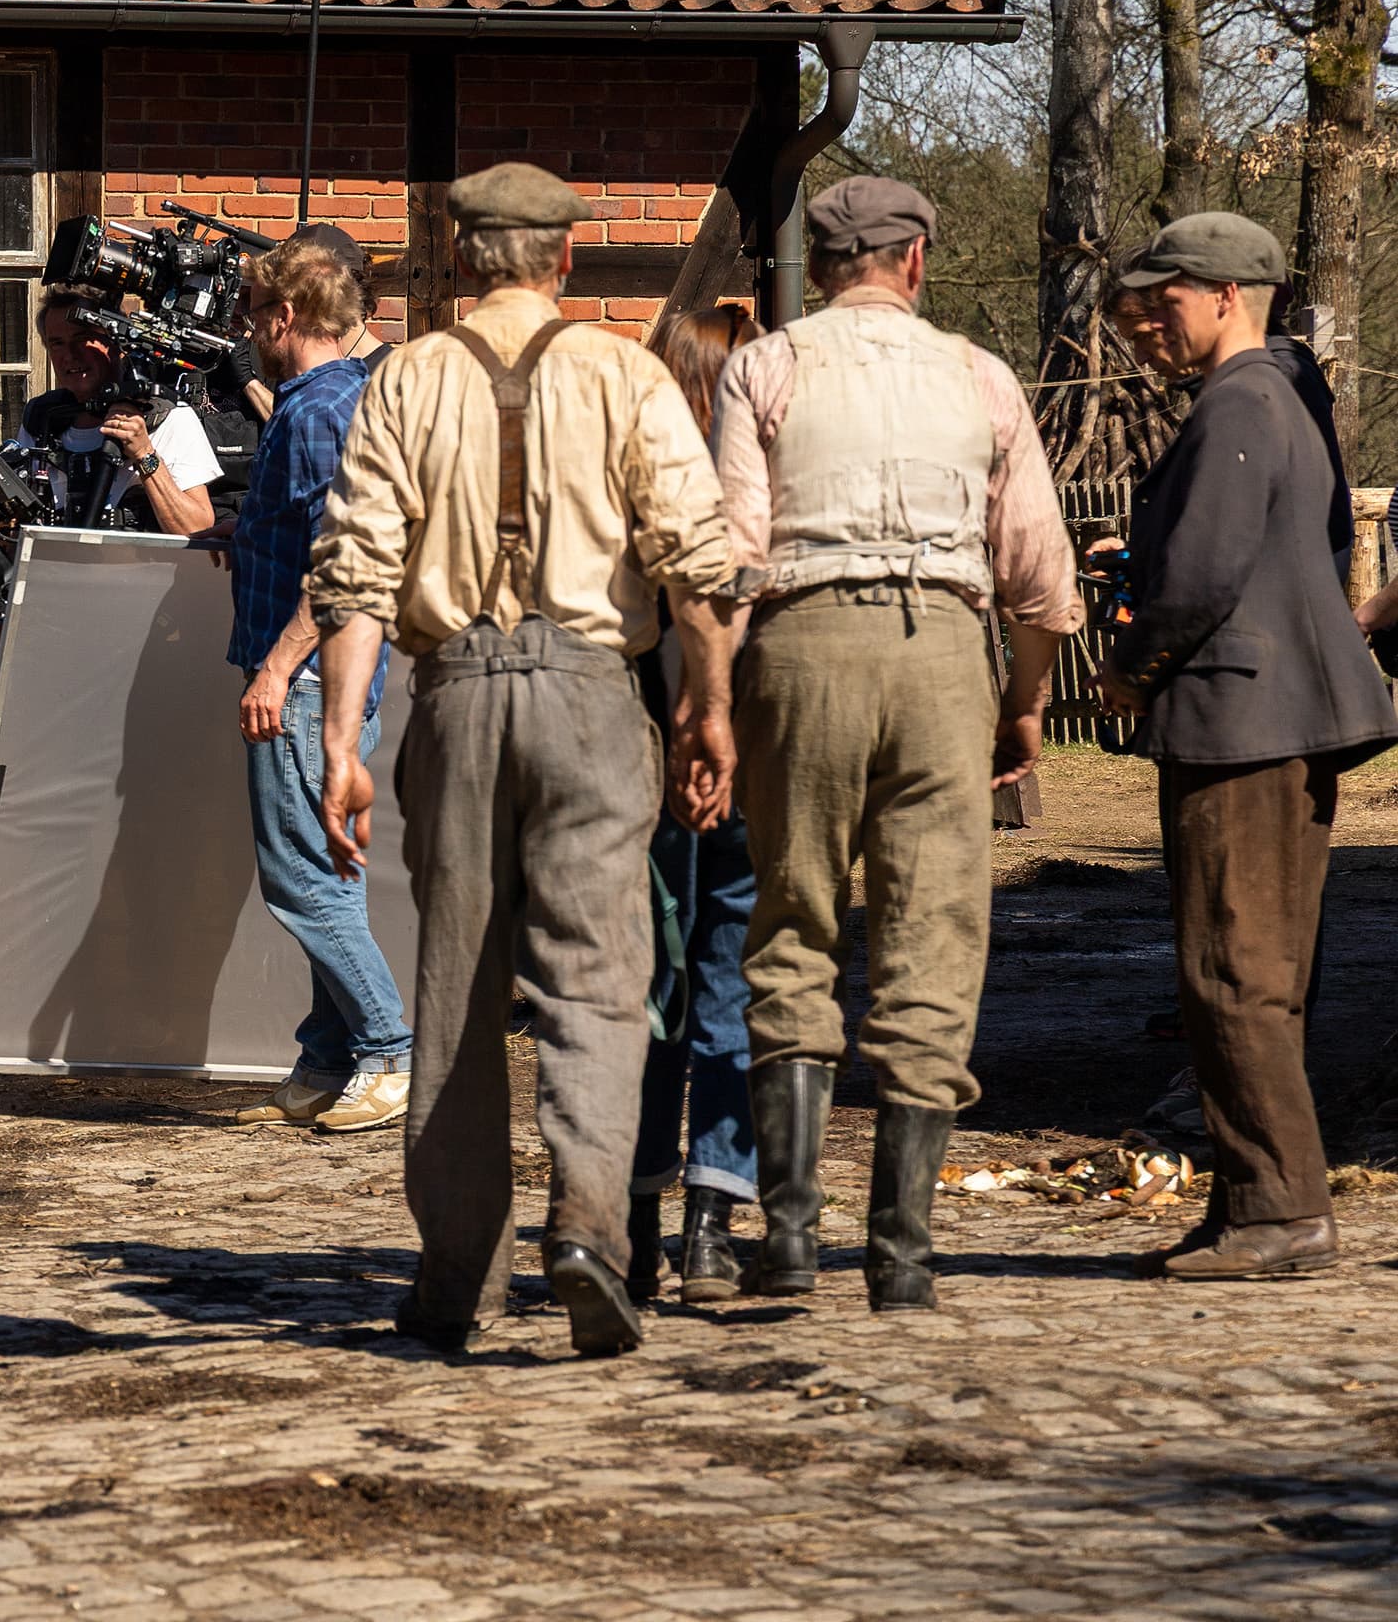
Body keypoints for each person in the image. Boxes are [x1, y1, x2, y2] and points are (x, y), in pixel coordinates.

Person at [306, 161, 742, 1360]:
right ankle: (593, 1229)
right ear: (562, 259)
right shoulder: (623, 370)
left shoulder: (406, 378)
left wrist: (343, 740)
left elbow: (354, 570)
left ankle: (457, 1276)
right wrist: (710, 707)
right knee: (599, 978)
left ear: (459, 260)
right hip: (593, 697)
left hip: (452, 691)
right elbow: (697, 559)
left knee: (453, 988)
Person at [707, 176, 1082, 1313]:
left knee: (795, 918)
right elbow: (1038, 571)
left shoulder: (764, 366)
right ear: (915, 261)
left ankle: (785, 1238)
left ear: (818, 266)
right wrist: (1020, 704)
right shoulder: (979, 375)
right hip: (940, 654)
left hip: (801, 643)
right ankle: (904, 1253)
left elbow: (732, 550)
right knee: (933, 934)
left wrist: (712, 705)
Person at [1101, 212, 1397, 1279]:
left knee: (1236, 970)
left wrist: (1129, 662)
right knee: (1246, 967)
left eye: (1168, 297)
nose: (1153, 318)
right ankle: (1250, 1204)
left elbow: (1203, 572)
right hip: (1265, 716)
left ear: (1227, 294)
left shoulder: (1242, 398)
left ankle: (1280, 1211)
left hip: (1244, 721)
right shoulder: (1275, 397)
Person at [215, 227, 413, 1136]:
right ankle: (329, 1054)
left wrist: (278, 664)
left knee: (302, 881)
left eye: (256, 313)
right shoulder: (327, 401)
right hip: (311, 681)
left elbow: (340, 563)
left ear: (284, 315)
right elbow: (304, 536)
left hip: (304, 686)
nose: (249, 329)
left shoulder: (316, 410)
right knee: (323, 872)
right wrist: (240, 536)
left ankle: (389, 1051)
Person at [629, 306, 764, 1304]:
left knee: (646, 989)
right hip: (752, 755)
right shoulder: (767, 496)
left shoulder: (636, 487)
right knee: (726, 983)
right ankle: (713, 1224)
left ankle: (630, 1217)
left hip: (652, 764)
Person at [17, 290, 224, 535]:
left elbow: (198, 527)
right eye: (57, 343)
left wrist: (144, 454)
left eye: (82, 338)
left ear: (116, 341)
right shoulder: (42, 418)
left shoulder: (168, 417)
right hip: (55, 568)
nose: (70, 355)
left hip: (139, 568)